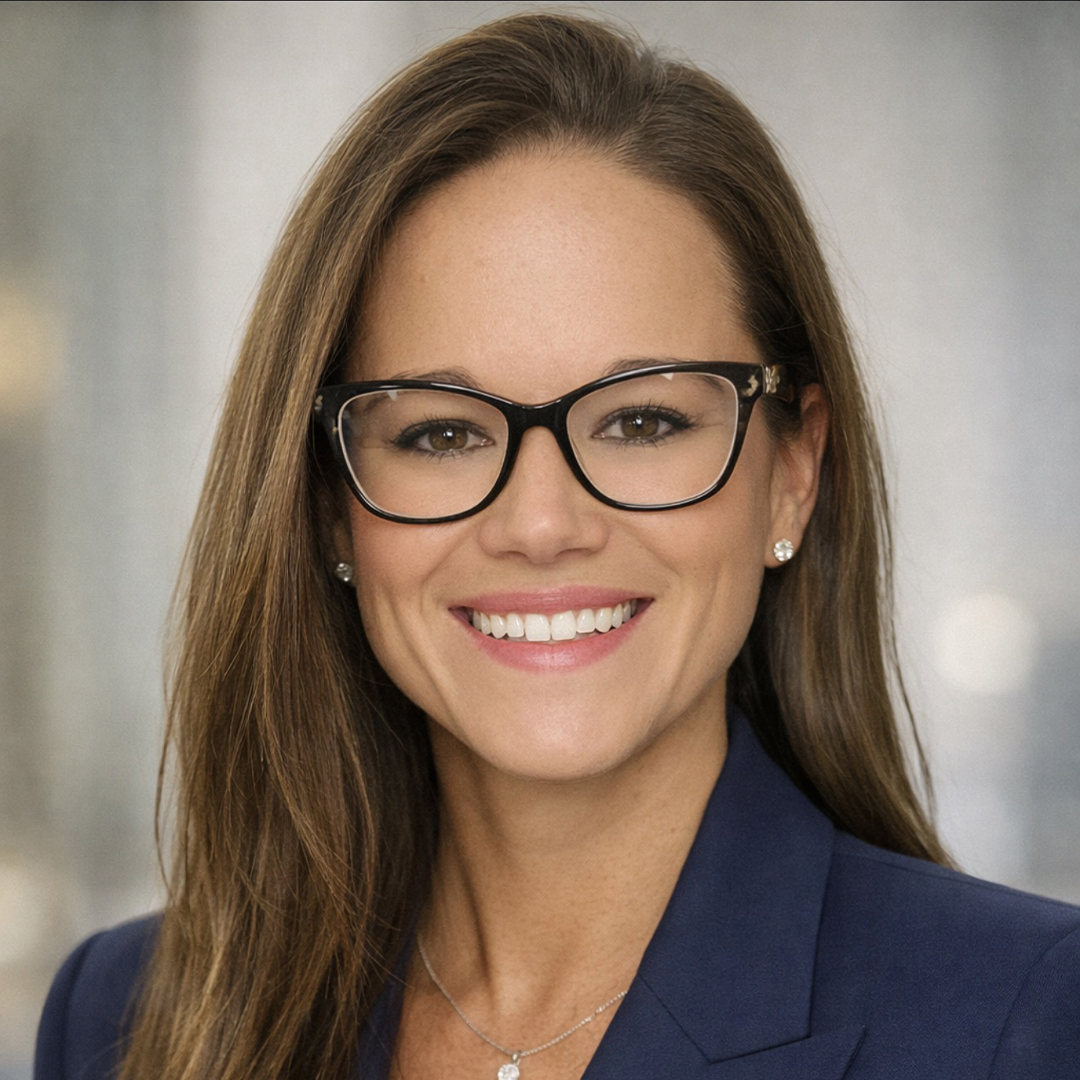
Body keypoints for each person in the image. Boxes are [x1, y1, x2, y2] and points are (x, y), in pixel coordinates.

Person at [35, 11, 1080, 1080]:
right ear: (327, 505)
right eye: (440, 433)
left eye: (644, 422)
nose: (540, 525)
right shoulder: (123, 1021)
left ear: (794, 475)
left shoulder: (1025, 1021)